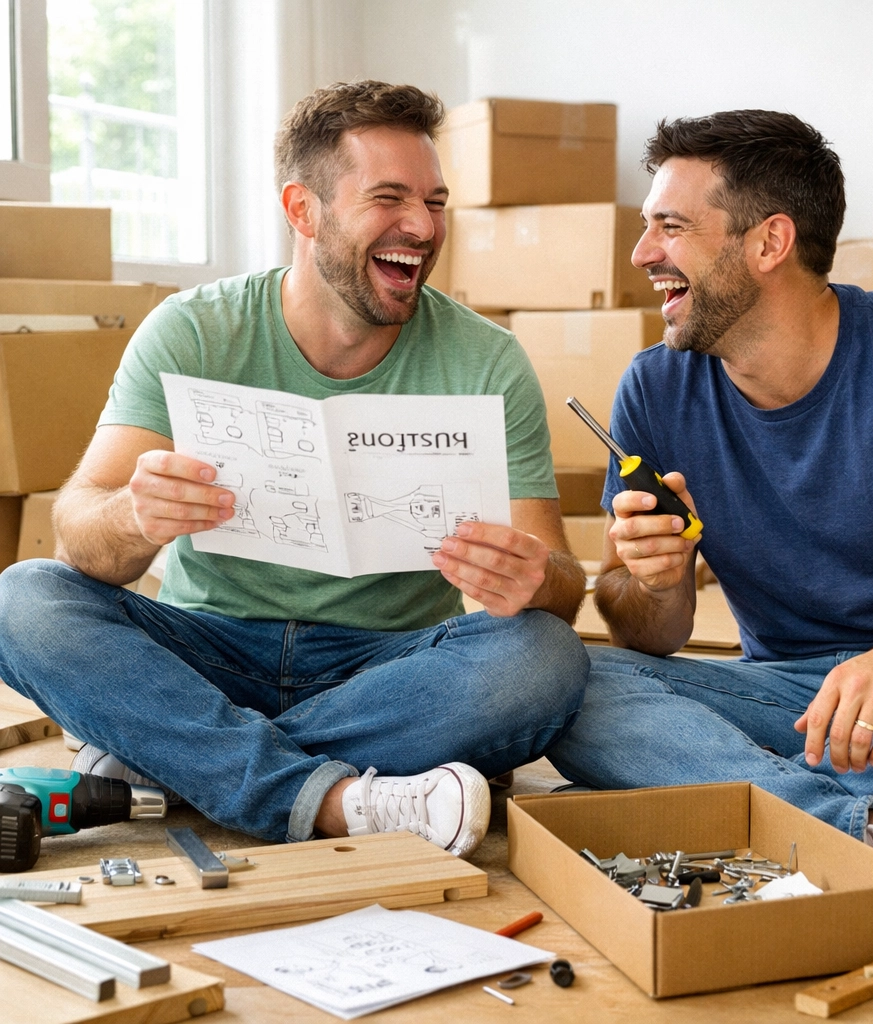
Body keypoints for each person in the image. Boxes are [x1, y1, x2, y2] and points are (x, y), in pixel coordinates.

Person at [0, 80, 588, 858]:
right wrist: (133, 515)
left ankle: (179, 761)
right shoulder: (193, 330)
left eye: (435, 202)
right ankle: (338, 799)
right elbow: (83, 540)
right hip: (208, 648)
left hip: (383, 667)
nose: (422, 226)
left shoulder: (487, 360)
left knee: (544, 658)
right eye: (389, 199)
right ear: (302, 210)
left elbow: (562, 587)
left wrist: (534, 578)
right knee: (22, 597)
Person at [548, 109, 873, 909]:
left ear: (770, 242)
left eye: (671, 227)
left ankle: (721, 791)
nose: (642, 254)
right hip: (787, 703)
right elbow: (648, 632)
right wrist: (659, 581)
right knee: (565, 681)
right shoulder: (655, 388)